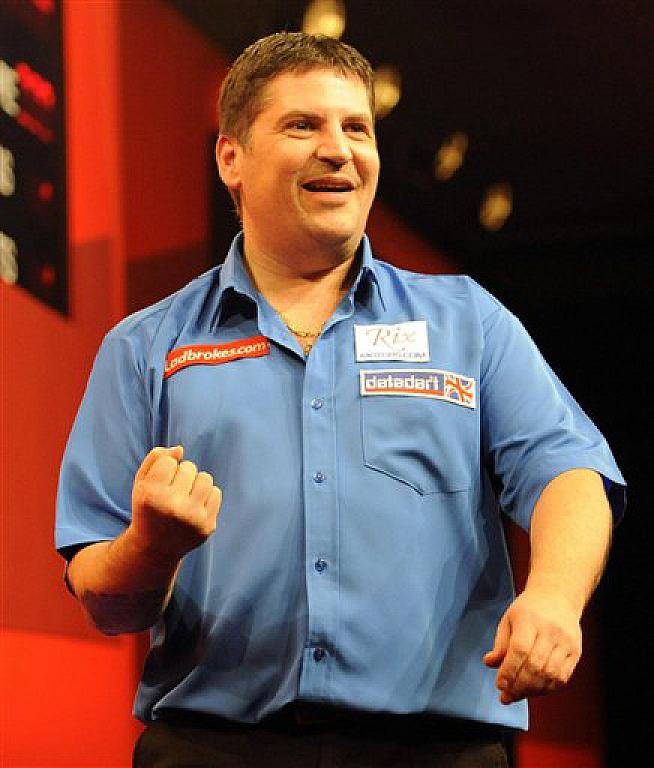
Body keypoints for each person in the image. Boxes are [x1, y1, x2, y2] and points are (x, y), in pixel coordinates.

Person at [56, 31, 625, 768]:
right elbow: (105, 601)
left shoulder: (468, 321)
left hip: (438, 753)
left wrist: (554, 597)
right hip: (214, 749)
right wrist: (151, 546)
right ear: (231, 158)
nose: (338, 149)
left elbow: (567, 472)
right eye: (303, 125)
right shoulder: (144, 347)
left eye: (357, 127)